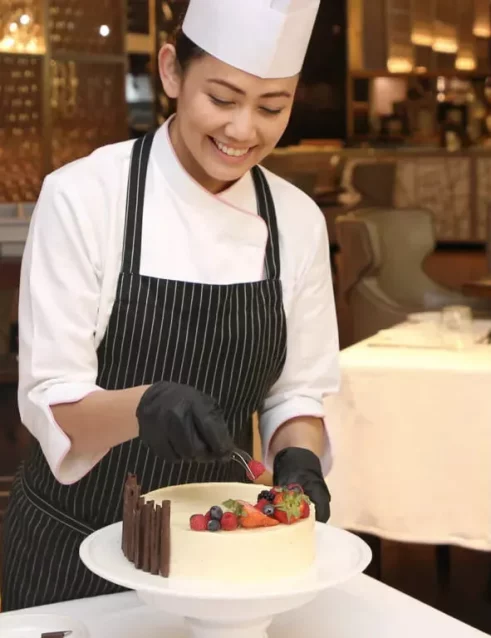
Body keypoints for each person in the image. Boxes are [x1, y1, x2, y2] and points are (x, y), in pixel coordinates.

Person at [1, 0, 339, 611]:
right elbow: (53, 399)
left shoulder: (297, 221)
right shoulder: (85, 196)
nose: (244, 130)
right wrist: (145, 406)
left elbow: (297, 394)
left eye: (272, 107)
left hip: (227, 556)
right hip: (77, 550)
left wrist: (297, 455)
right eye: (223, 98)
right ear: (171, 72)